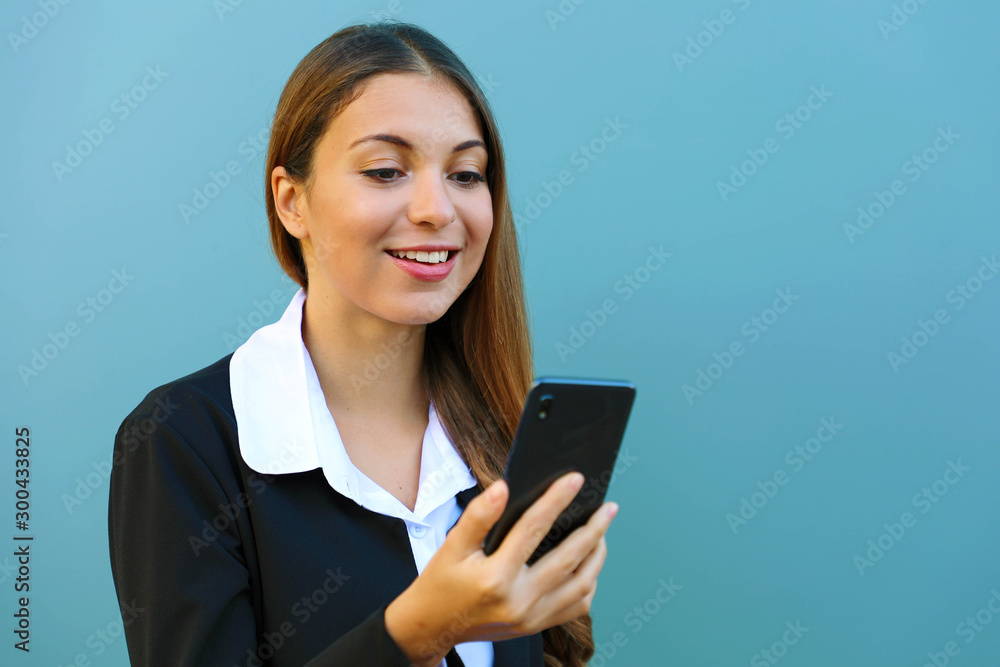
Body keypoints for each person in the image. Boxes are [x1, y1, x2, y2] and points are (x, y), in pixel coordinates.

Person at [107, 19, 617, 667]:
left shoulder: (507, 429)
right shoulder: (183, 440)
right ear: (292, 201)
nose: (437, 208)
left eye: (466, 173)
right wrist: (414, 632)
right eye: (385, 170)